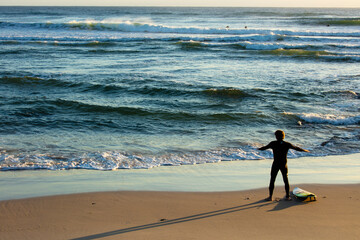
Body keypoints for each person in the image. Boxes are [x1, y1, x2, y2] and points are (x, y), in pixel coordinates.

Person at [258, 130, 309, 201]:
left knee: (272, 179)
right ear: (283, 136)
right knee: (285, 179)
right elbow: (296, 148)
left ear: (276, 136)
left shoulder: (273, 143)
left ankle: (270, 197)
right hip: (283, 164)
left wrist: (256, 148)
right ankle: (287, 196)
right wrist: (304, 150)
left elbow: (264, 148)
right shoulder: (287, 144)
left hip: (276, 164)